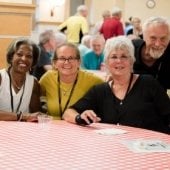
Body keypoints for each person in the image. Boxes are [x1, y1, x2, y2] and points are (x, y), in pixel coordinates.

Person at [63, 36, 170, 134]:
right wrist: (79, 118)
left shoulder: (148, 83)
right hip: (114, 149)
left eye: (124, 56)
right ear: (107, 62)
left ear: (132, 61)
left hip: (151, 148)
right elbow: (68, 113)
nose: (119, 61)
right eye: (114, 57)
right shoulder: (100, 91)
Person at [39, 43, 104, 119]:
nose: (66, 62)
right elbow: (38, 96)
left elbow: (109, 89)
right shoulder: (48, 78)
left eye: (71, 58)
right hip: (52, 128)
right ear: (55, 63)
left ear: (79, 62)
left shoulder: (93, 80)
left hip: (80, 128)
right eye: (62, 58)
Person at [0, 38, 42, 121]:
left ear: (33, 61)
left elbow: (36, 114)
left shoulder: (34, 83)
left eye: (29, 56)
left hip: (22, 132)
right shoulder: (1, 77)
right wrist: (22, 116)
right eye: (19, 54)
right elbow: (29, 116)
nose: (24, 59)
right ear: (11, 57)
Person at [132, 16, 170, 91]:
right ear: (144, 37)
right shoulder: (131, 49)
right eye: (153, 38)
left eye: (163, 38)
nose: (158, 44)